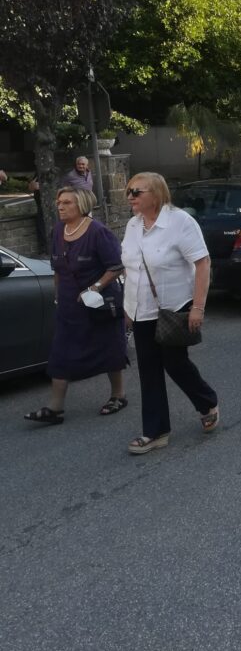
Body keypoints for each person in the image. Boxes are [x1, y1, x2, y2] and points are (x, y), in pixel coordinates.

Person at [121, 172, 219, 455]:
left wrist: (198, 307)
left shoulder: (179, 222)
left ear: (156, 194)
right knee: (149, 370)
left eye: (136, 192)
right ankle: (156, 431)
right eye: (128, 191)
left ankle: (207, 401)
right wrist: (129, 308)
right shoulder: (132, 225)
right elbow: (132, 268)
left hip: (175, 306)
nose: (130, 197)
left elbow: (202, 263)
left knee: (175, 364)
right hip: (142, 311)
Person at [23, 186, 127, 425]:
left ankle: (118, 396)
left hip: (99, 305)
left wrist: (94, 288)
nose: (60, 206)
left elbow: (116, 266)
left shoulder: (98, 232)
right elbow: (58, 268)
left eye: (67, 202)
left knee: (109, 348)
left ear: (81, 205)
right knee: (60, 353)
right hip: (69, 306)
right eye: (59, 201)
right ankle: (55, 408)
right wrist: (58, 296)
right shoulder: (58, 230)